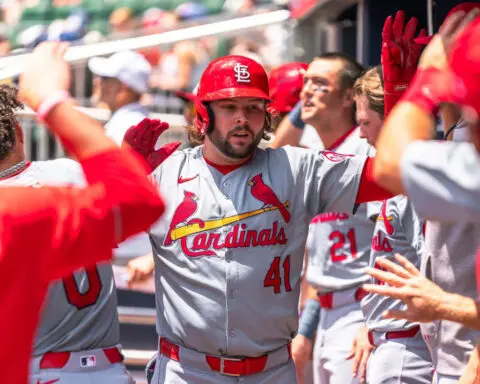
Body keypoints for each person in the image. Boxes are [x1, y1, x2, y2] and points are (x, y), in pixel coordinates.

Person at [124, 54, 392, 383]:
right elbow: (96, 232)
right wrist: (120, 177)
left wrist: (401, 98)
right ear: (204, 113)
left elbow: (392, 175)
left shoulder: (296, 168)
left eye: (253, 107)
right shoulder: (165, 175)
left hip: (272, 370)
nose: (242, 119)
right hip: (187, 370)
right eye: (229, 107)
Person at [0, 42, 165, 384]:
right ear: (18, 134)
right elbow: (136, 204)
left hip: (35, 371)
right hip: (108, 370)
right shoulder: (68, 175)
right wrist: (123, 163)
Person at [365, 8, 480, 384]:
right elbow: (416, 162)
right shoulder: (459, 135)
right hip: (448, 353)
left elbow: (393, 166)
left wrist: (426, 85)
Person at [289, 53, 381, 384]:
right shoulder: (313, 155)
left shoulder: (367, 154)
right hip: (324, 313)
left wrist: (373, 324)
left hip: (362, 309)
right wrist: (307, 328)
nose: (307, 92)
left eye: (320, 84)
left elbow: (395, 246)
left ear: (347, 98)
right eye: (305, 82)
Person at [352, 66, 433, 384]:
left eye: (365, 123)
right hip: (390, 340)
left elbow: (430, 274)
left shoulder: (414, 183)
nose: (361, 134)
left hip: (409, 347)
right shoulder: (398, 178)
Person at [89, 50, 154, 261]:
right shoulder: (130, 122)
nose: (99, 83)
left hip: (127, 249)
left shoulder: (128, 126)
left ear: (123, 88)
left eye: (107, 79)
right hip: (129, 244)